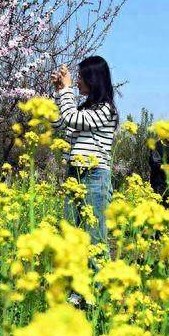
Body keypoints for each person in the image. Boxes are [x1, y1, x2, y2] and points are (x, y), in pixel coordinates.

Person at [53, 56, 118, 243]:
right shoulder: (84, 109)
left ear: (93, 79)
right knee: (71, 237)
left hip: (94, 176)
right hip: (75, 173)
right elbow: (58, 122)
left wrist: (66, 89)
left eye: (81, 77)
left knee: (95, 239)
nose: (77, 82)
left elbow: (72, 118)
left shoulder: (106, 109)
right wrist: (59, 91)